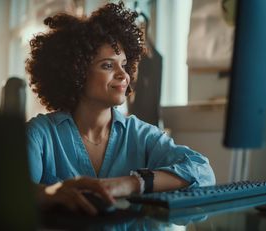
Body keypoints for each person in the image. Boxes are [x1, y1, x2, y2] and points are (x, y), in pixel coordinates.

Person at [25, 2, 215, 215]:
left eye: (124, 65)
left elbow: (203, 171)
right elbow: (11, 193)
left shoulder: (141, 135)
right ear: (76, 72)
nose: (123, 75)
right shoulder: (39, 134)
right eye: (108, 65)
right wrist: (52, 192)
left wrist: (132, 184)